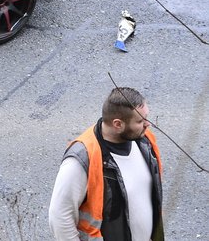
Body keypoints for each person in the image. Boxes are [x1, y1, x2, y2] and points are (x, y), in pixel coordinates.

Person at [48, 87, 164, 240]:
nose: (148, 124)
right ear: (118, 124)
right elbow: (59, 217)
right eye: (140, 121)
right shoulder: (82, 159)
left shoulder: (145, 141)